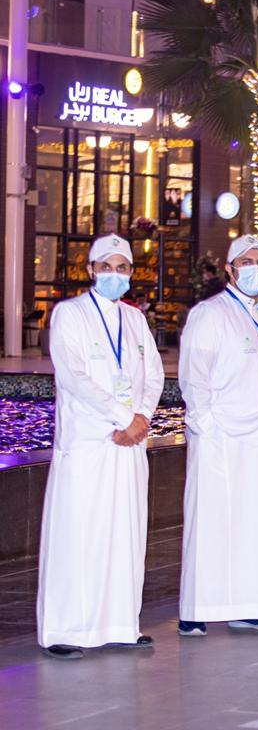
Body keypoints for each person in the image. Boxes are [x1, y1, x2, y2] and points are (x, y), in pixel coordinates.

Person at [36, 234, 164, 660]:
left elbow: (154, 374)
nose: (114, 274)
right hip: (89, 442)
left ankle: (120, 624)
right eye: (105, 267)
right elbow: (73, 376)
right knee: (78, 532)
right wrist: (123, 417)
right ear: (90, 270)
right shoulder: (69, 314)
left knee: (126, 533)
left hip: (129, 444)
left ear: (131, 273)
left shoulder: (135, 319)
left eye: (121, 267)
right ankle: (65, 628)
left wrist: (141, 416)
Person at [177, 235, 258, 636]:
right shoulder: (210, 313)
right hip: (220, 434)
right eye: (246, 262)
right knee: (211, 519)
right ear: (230, 269)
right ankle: (196, 608)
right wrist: (206, 427)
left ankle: (253, 604)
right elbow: (193, 377)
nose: (255, 269)